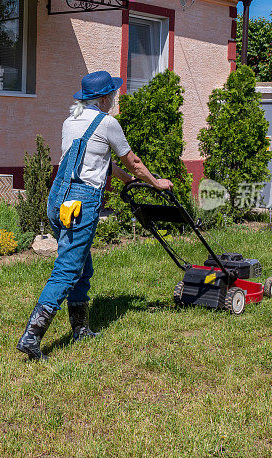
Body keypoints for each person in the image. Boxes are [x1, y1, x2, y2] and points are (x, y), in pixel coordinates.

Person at [16, 70, 173, 360]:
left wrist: (125, 179)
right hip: (81, 202)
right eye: (112, 94)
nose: (114, 98)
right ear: (103, 98)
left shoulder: (71, 120)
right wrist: (157, 182)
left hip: (58, 199)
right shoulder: (108, 123)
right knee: (67, 269)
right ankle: (31, 337)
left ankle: (80, 328)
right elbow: (135, 162)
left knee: (81, 266)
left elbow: (95, 158)